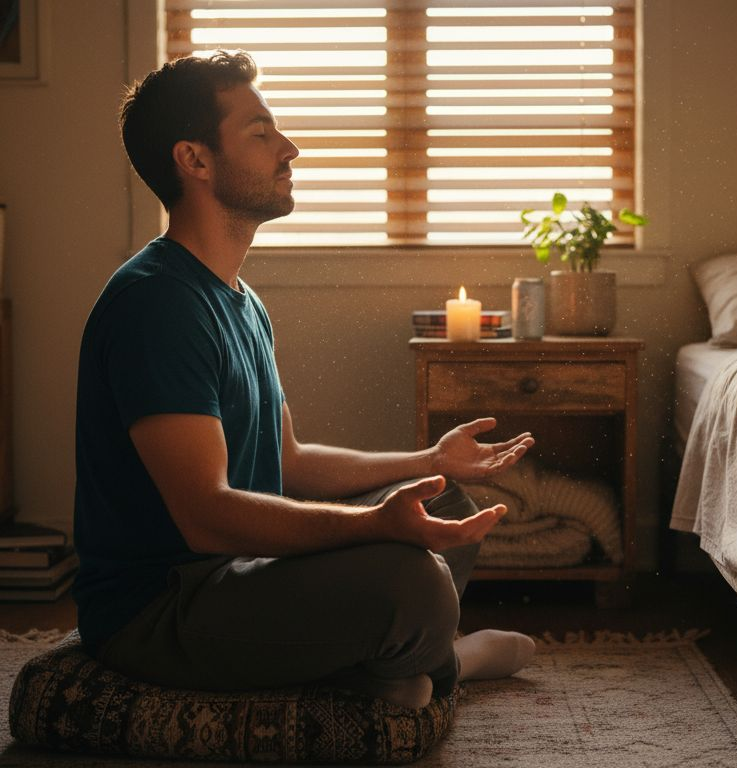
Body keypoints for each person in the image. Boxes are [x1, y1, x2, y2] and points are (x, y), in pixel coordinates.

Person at [72, 51, 538, 709]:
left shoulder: (241, 300)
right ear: (194, 160)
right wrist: (373, 527)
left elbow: (287, 462)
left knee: (444, 502)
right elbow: (205, 519)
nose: (289, 148)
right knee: (414, 582)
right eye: (260, 133)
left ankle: (391, 665)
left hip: (241, 576)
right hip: (164, 608)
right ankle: (440, 661)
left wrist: (428, 461)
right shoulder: (156, 304)